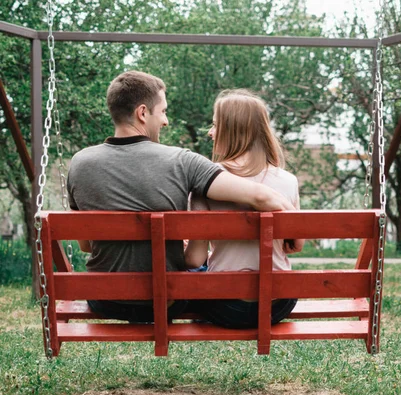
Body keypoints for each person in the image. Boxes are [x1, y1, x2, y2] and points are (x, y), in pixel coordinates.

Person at [67, 72, 294, 323]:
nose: (165, 121)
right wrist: (295, 228)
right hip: (167, 300)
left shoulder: (79, 163)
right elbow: (261, 197)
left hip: (105, 300)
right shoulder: (183, 161)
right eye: (162, 111)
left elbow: (87, 245)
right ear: (143, 113)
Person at [185, 89, 304, 329]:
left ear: (233, 130)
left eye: (216, 125)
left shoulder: (206, 184)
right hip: (278, 303)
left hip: (225, 305)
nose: (210, 132)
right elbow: (295, 246)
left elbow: (195, 259)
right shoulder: (288, 180)